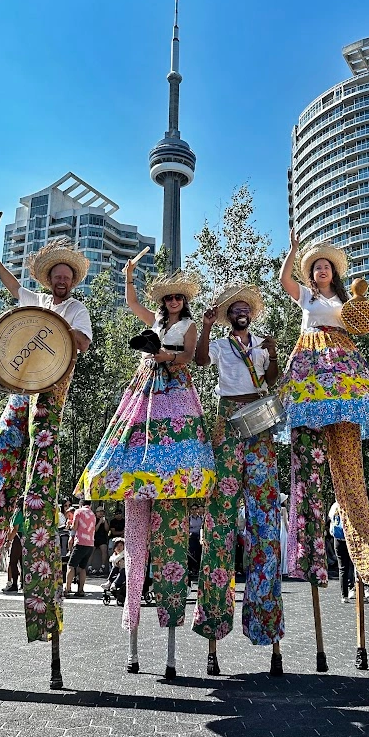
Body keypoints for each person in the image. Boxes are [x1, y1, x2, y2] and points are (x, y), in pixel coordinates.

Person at [0, 236, 92, 659]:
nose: (61, 281)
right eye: (56, 276)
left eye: (67, 276)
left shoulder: (76, 308)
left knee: (39, 491)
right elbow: (12, 288)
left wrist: (63, 332)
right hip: (20, 394)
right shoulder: (37, 302)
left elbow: (81, 342)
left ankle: (44, 614)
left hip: (50, 398)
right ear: (50, 279)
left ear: (72, 281)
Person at [77, 267, 214, 679]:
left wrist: (164, 356)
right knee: (136, 548)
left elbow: (191, 358)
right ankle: (132, 637)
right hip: (143, 391)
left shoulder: (187, 325)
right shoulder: (153, 320)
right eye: (169, 298)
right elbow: (132, 303)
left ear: (184, 302)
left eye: (178, 298)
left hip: (173, 388)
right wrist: (128, 277)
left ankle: (171, 649)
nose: (173, 303)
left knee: (171, 550)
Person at [278, 233, 369, 597]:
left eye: (326, 265)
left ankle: (368, 561)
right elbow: (284, 282)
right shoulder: (307, 296)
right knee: (308, 464)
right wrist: (294, 252)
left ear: (334, 273)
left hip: (343, 368)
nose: (322, 269)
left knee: (348, 462)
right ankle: (305, 558)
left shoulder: (347, 300)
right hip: (311, 370)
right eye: (317, 266)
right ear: (311, 273)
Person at [193, 284, 284, 676]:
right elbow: (198, 361)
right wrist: (207, 325)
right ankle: (213, 628)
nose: (241, 311)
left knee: (265, 524)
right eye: (236, 308)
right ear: (230, 314)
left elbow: (275, 380)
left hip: (260, 423)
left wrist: (276, 355)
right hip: (225, 422)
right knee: (219, 526)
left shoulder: (264, 342)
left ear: (253, 313)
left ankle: (269, 630)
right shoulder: (219, 343)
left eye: (246, 307)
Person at [65, 498, 96, 597]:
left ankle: (67, 589)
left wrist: (69, 525)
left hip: (80, 543)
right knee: (82, 568)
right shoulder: (93, 514)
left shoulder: (78, 511)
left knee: (71, 566)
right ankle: (81, 590)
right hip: (90, 544)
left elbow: (75, 527)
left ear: (80, 504)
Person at [329, 501, 356, 602]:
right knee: (354, 565)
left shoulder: (335, 505)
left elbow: (331, 520)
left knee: (342, 568)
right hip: (351, 539)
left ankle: (344, 595)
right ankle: (355, 590)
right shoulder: (351, 504)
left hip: (338, 539)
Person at [4, 497, 25, 594]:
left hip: (18, 537)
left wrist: (8, 540)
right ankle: (24, 583)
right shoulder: (27, 513)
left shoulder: (18, 512)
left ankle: (14, 584)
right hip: (25, 537)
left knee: (13, 561)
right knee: (22, 562)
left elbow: (15, 528)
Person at [92, 507, 109, 576]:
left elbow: (107, 530)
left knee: (104, 549)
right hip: (94, 538)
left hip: (102, 538)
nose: (101, 513)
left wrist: (104, 522)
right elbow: (94, 530)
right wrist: (99, 522)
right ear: (96, 512)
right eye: (99, 511)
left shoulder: (105, 519)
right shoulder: (93, 519)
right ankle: (90, 567)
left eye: (102, 511)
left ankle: (102, 567)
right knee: (91, 550)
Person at [279, 493, 289, 577]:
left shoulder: (277, 508)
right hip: (283, 529)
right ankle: (284, 568)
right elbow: (286, 522)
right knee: (284, 547)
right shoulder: (284, 509)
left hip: (278, 528)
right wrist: (289, 531)